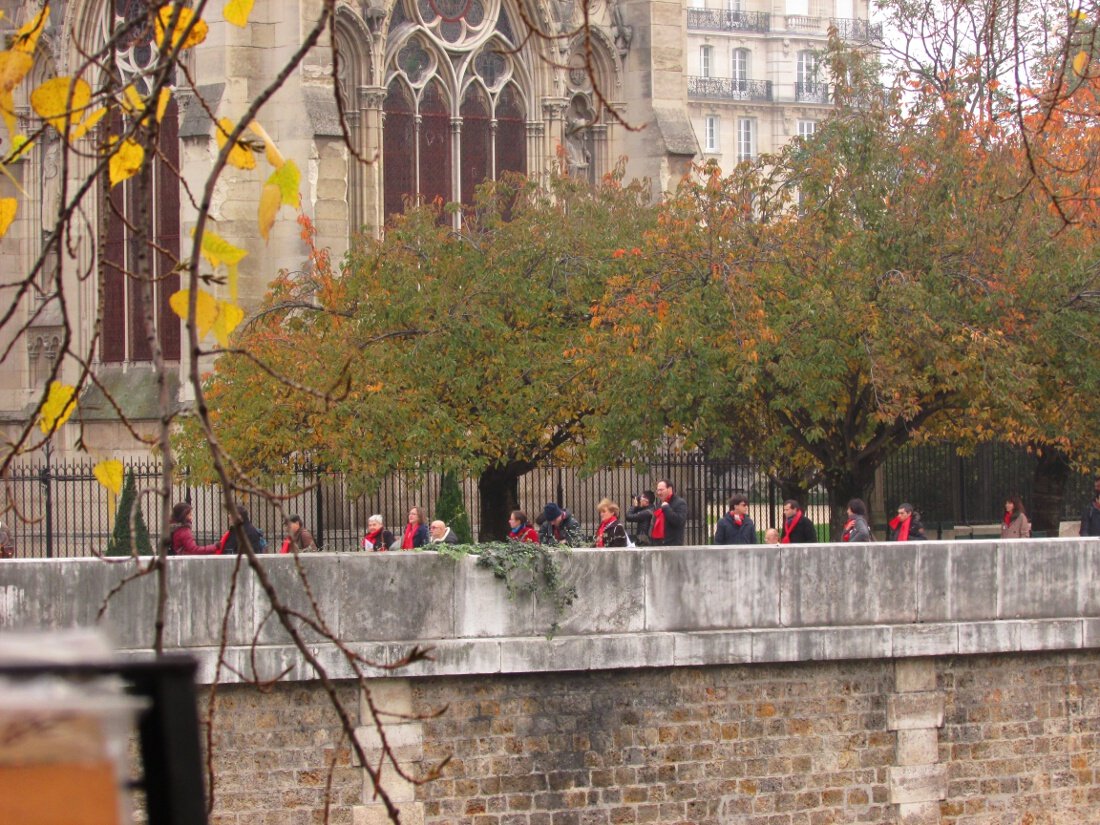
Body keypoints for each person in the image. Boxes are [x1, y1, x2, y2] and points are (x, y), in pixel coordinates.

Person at [650, 480, 688, 546]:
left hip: (672, 545)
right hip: (658, 544)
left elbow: (678, 521)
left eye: (661, 490)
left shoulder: (680, 503)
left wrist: (666, 508)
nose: (659, 493)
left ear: (670, 489)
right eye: (657, 490)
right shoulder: (660, 504)